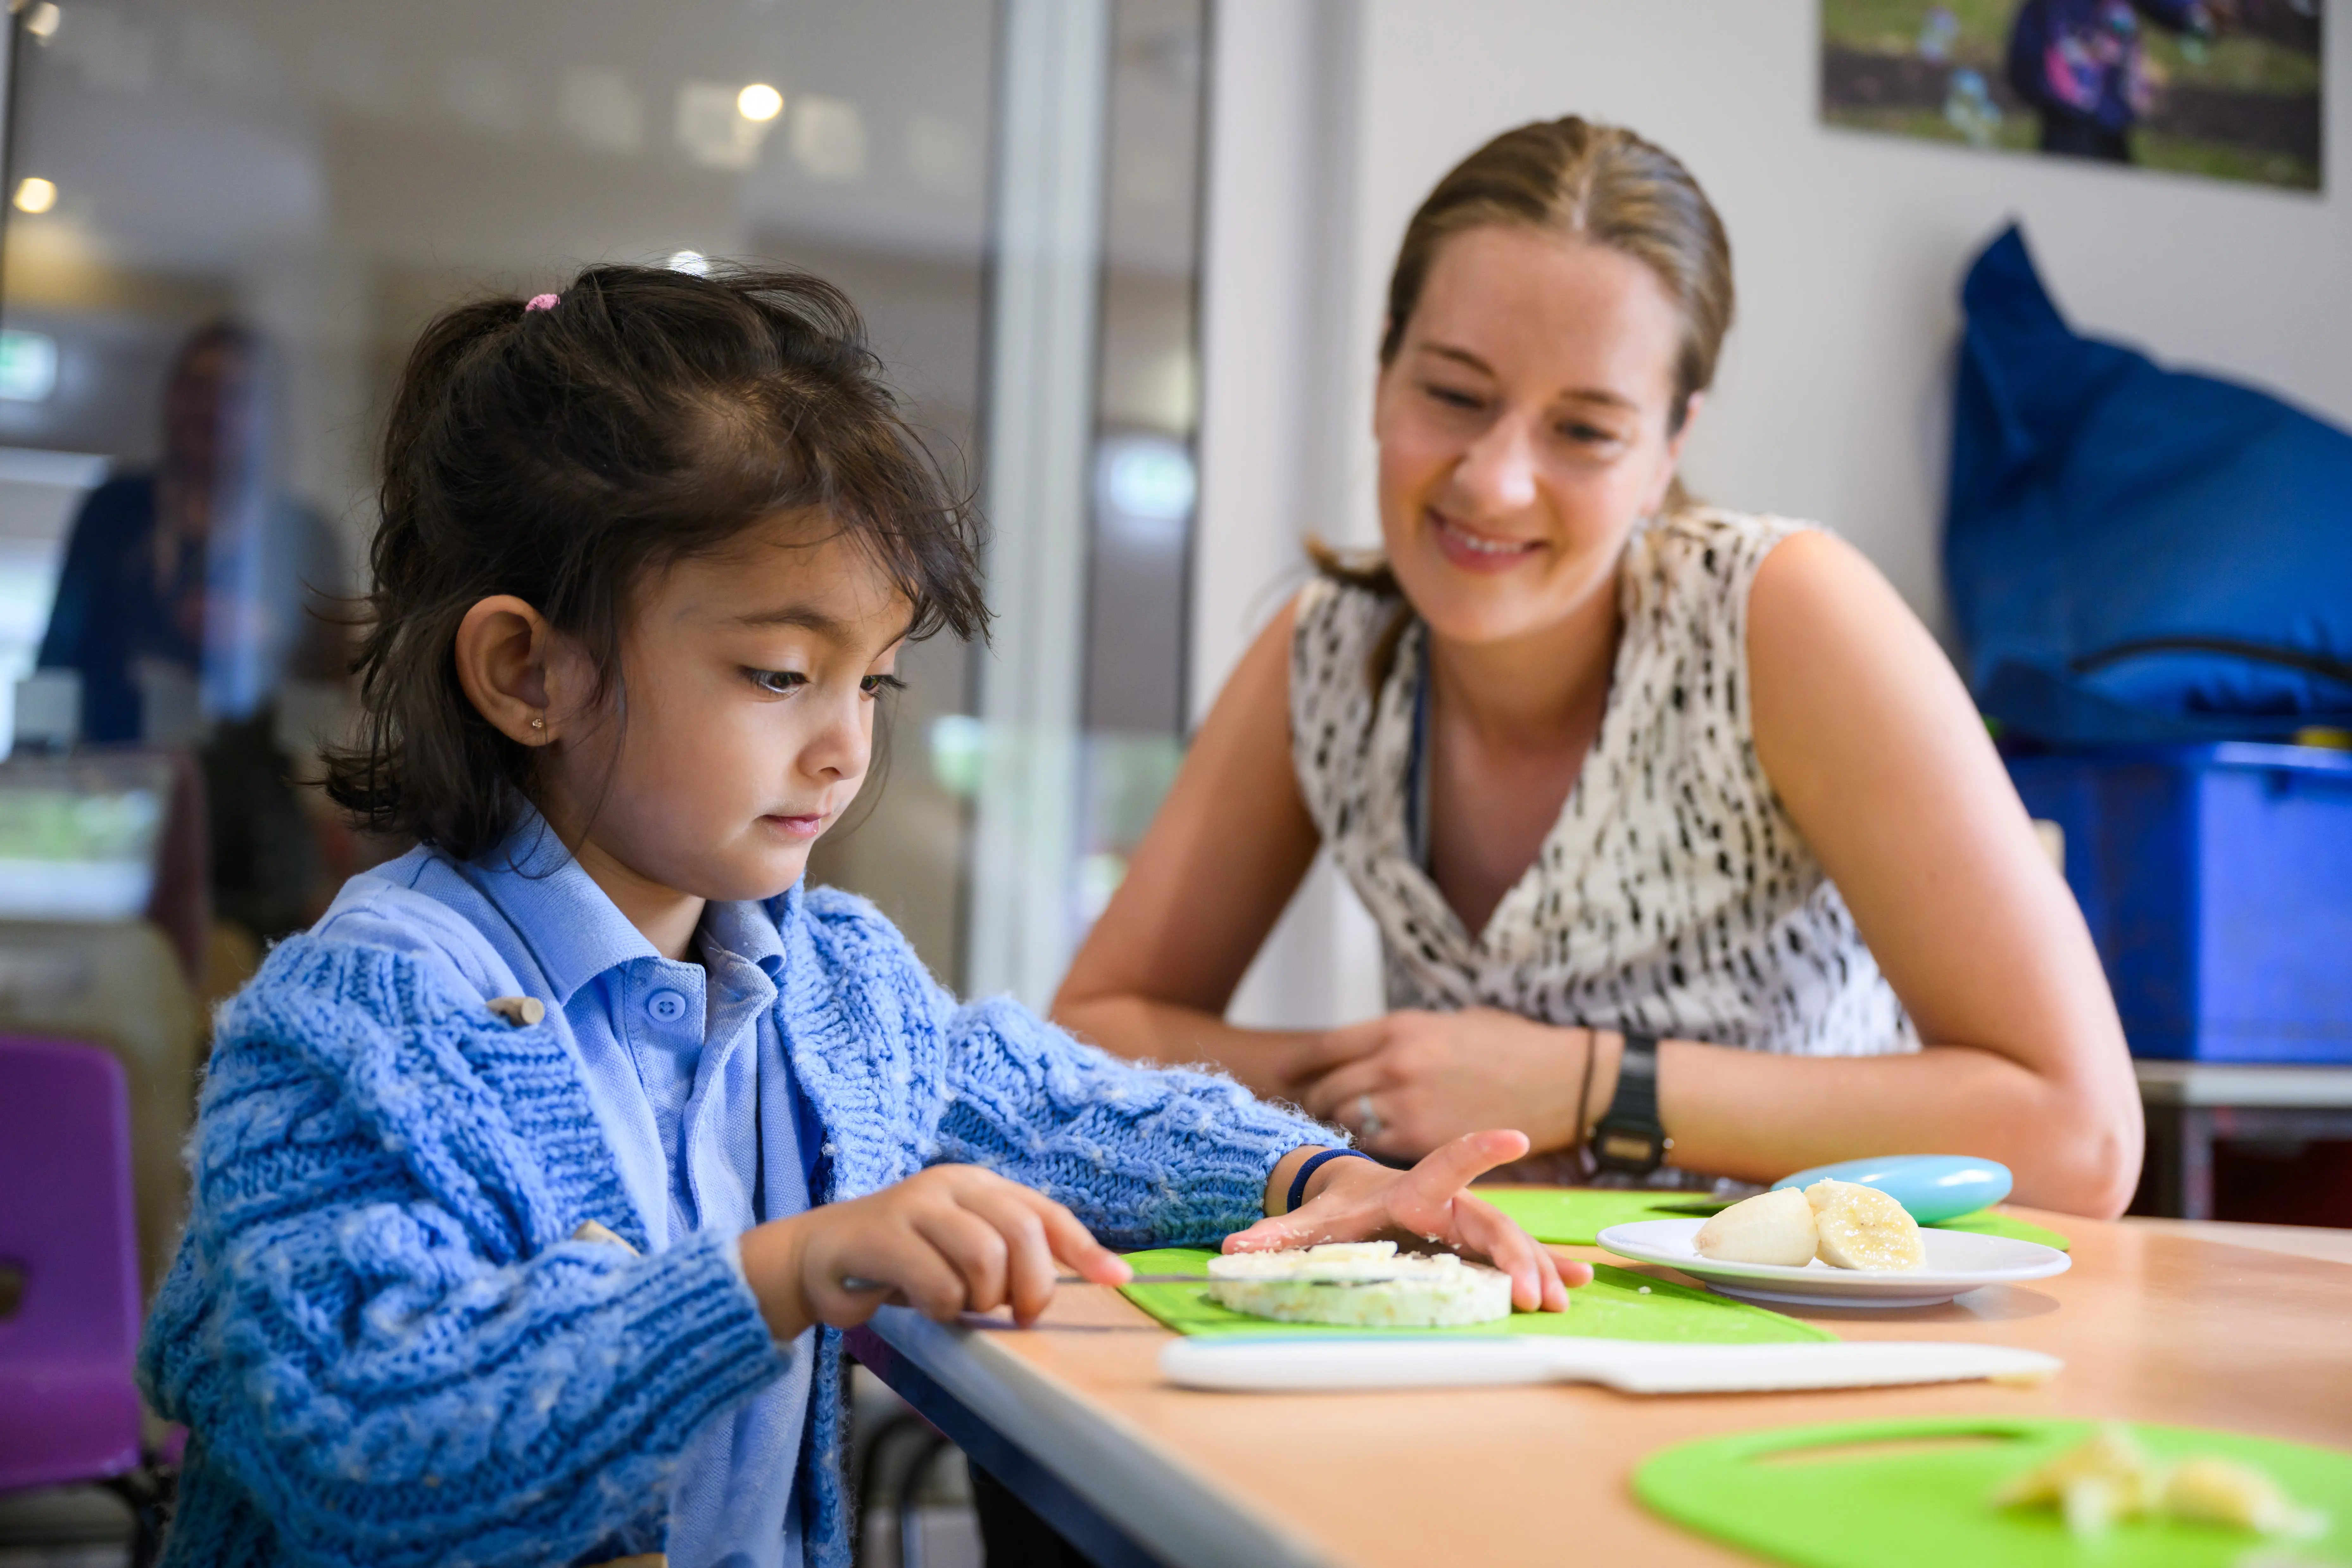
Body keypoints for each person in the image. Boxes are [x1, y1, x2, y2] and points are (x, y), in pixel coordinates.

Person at [134, 266, 1575, 1568]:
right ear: (527, 671)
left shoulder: (829, 980)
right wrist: (787, 1266)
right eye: (777, 672)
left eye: (871, 681)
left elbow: (1055, 1109)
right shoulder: (352, 1023)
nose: (844, 747)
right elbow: (358, 1430)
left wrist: (1313, 1180)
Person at [1053, 117, 2143, 1218]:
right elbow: (1086, 1037)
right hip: (1483, 1321)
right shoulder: (1326, 649)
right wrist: (1398, 1088)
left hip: (1809, 1331)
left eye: (1584, 430)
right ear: (1384, 372)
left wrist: (1588, 1085)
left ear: (1670, 445)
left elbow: (2081, 1136)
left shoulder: (1784, 613)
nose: (1495, 483)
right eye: (1455, 394)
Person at [2005, 0, 2218, 164]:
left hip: (2110, 99)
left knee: (2112, 172)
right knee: (2066, 173)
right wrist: (2031, 82)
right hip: (2068, 99)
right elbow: (2029, 39)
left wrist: (2189, 12)